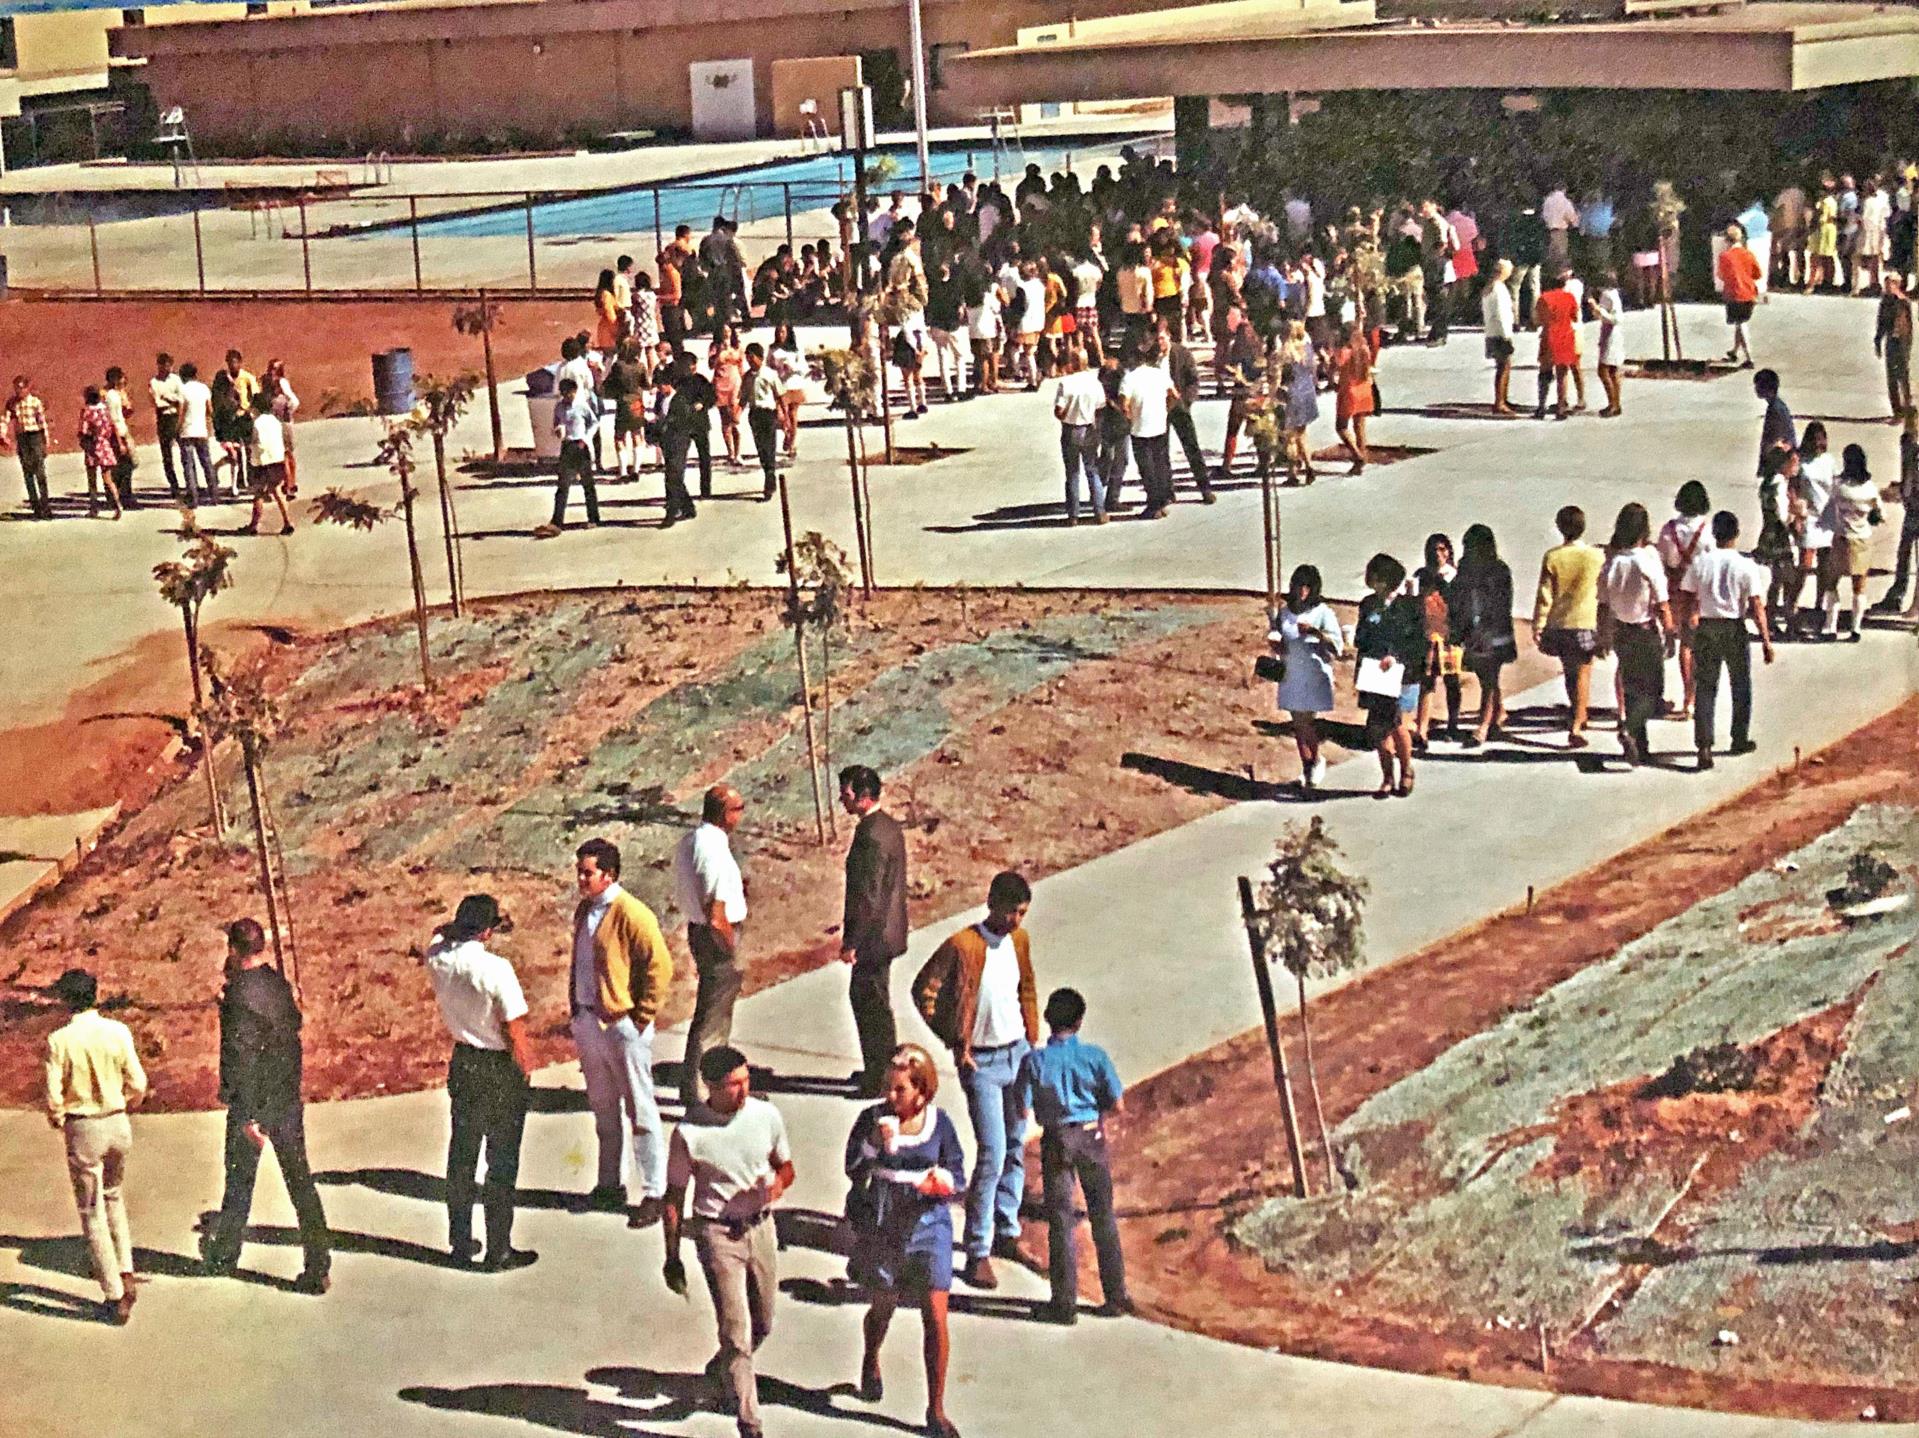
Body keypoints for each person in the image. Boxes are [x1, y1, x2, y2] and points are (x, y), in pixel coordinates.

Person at [911, 870, 1039, 1291]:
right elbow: (924, 992)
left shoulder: (1019, 942)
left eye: (1022, 912)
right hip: (980, 1063)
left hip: (1017, 1055)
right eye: (1012, 911)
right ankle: (978, 1249)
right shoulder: (962, 945)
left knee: (1017, 1145)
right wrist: (954, 1039)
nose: (1017, 920)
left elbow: (1027, 989)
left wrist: (1032, 1039)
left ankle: (1007, 1231)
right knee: (993, 1152)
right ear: (993, 904)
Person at [662, 1046, 795, 1438]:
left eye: (746, 1081)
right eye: (733, 1085)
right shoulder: (690, 1133)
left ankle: (724, 1368)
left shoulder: (766, 1115)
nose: (743, 1091)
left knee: (763, 1323)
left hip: (761, 1227)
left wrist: (776, 1186)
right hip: (717, 1234)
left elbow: (786, 1168)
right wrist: (672, 1255)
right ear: (710, 1087)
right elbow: (674, 1198)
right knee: (736, 1330)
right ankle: (749, 1422)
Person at [845, 1044, 966, 1438]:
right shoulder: (872, 1120)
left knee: (935, 1314)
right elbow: (852, 1166)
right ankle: (871, 1356)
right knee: (883, 1305)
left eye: (901, 1090)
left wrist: (941, 1183)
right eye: (889, 1088)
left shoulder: (940, 1124)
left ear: (922, 1091)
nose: (892, 1097)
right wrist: (874, 1146)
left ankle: (936, 1408)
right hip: (884, 1222)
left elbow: (957, 1171)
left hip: (929, 1223)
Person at [203, 918, 330, 1292]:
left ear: (233, 949)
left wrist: (246, 1114)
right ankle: (318, 1262)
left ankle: (225, 1255)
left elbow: (240, 1058)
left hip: (255, 1104)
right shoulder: (278, 984)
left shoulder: (239, 998)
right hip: (287, 1098)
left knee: (239, 1183)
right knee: (301, 1183)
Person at [423, 894, 537, 1270]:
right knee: (501, 1159)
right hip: (497, 1064)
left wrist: (452, 929)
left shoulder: (439, 959)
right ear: (488, 930)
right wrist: (524, 1067)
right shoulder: (496, 969)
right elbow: (513, 1027)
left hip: (465, 1060)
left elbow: (437, 935)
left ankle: (459, 1241)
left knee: (463, 1154)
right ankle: (498, 1247)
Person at [569, 837, 675, 1223]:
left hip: (621, 1026)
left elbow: (659, 967)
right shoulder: (584, 911)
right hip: (588, 1023)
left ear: (609, 874)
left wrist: (640, 1017)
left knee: (640, 1111)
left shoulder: (632, 913)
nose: (581, 879)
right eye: (579, 872)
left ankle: (654, 1191)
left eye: (588, 872)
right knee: (602, 1110)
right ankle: (609, 1183)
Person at [1017, 988, 1134, 1326]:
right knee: (1102, 1215)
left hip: (1056, 1139)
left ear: (1048, 1020)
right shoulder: (1095, 1057)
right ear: (1080, 1021)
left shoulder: (1035, 1061)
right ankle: (1115, 1295)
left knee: (1060, 1220)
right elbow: (1118, 1104)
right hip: (1089, 1136)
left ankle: (1064, 1302)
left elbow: (1021, 1107)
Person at [43, 967, 146, 1323]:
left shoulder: (60, 1040)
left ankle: (114, 1293)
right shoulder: (118, 1031)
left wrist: (59, 1118)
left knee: (91, 1213)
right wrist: (123, 1101)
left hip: (84, 1126)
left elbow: (54, 1095)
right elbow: (139, 1081)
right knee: (114, 1196)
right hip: (117, 1123)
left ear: (66, 1000)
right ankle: (127, 1270)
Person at [675, 785, 749, 1108]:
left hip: (699, 932)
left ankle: (705, 1086)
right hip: (716, 936)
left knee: (711, 1011)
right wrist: (732, 947)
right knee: (713, 1020)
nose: (741, 815)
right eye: (739, 808)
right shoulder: (714, 849)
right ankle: (701, 1092)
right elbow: (716, 914)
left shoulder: (690, 841)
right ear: (725, 813)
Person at [1682, 511, 1774, 771]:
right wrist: (1766, 640)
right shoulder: (1745, 565)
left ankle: (1704, 746)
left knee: (1706, 687)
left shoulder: (1701, 563)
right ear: (1736, 534)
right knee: (1740, 685)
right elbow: (1756, 605)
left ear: (1715, 534)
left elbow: (1688, 595)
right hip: (1734, 627)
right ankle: (1739, 737)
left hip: (1707, 626)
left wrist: (1690, 621)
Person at [839, 765, 910, 1098]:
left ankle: (881, 1077)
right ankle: (879, 1068)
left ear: (863, 796)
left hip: (874, 937)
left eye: (847, 793)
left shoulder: (870, 835)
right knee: (874, 1000)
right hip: (887, 932)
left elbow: (867, 895)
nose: (842, 799)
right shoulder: (888, 827)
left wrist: (852, 941)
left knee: (870, 1004)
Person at [1598, 503, 1674, 767]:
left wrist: (1603, 635)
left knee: (1632, 690)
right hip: (1645, 630)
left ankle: (1640, 747)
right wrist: (1671, 632)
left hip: (1621, 631)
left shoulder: (1612, 563)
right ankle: (1630, 729)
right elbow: (1662, 601)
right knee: (1653, 692)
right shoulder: (1646, 561)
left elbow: (1603, 604)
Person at [1533, 505, 1605, 748]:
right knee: (1584, 672)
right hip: (1587, 621)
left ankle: (1578, 712)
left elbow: (1545, 595)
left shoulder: (1553, 557)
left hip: (1561, 623)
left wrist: (1539, 624)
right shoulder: (1596, 556)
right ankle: (1577, 722)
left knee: (1570, 673)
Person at [1353, 552, 1423, 797]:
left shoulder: (1409, 606)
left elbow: (1416, 642)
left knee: (1395, 723)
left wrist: (1395, 656)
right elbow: (1360, 638)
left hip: (1399, 673)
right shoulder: (1368, 604)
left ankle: (1406, 770)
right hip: (1373, 672)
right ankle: (1386, 777)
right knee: (1376, 726)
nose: (1371, 581)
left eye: (1376, 576)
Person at [1270, 563, 1344, 792]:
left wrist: (1315, 633)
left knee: (1305, 722)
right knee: (1297, 724)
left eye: (1307, 586)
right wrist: (1275, 642)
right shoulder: (1284, 613)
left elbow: (1337, 647)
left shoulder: (1322, 612)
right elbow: (1280, 644)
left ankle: (1315, 761)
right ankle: (1308, 766)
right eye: (1299, 585)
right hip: (1292, 673)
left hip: (1313, 673)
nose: (1302, 591)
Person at [1449, 523, 1518, 747]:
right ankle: (1497, 715)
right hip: (1472, 631)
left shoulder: (1499, 570)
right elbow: (1457, 600)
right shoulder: (1464, 569)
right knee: (1484, 676)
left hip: (1493, 631)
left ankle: (1483, 725)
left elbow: (1503, 603)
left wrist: (1487, 627)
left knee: (1489, 677)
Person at [1657, 480, 1715, 717]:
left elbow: (1664, 560)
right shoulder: (1707, 530)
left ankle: (1687, 698)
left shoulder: (1669, 529)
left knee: (1686, 645)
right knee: (1701, 643)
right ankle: (1698, 694)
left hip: (1677, 588)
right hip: (1701, 589)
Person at [1823, 444, 1884, 641]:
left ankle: (1830, 626)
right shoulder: (1869, 489)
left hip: (1841, 538)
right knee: (1859, 587)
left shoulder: (1839, 487)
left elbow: (1829, 509)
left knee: (1832, 583)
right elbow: (1881, 514)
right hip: (1862, 540)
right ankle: (1855, 629)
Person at [1412, 534, 1462, 748]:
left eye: (1442, 549)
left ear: (1449, 551)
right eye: (1433, 550)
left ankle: (1452, 724)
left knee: (1452, 680)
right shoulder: (1422, 575)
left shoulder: (1455, 576)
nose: (1438, 554)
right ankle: (1422, 729)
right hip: (1427, 634)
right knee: (1427, 681)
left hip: (1449, 635)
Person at [1119, 344, 1179, 521]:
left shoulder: (1129, 379)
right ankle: (1162, 499)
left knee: (1146, 467)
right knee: (1160, 464)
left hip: (1140, 428)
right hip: (1159, 424)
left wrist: (1130, 417)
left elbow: (1124, 404)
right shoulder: (1159, 374)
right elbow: (1174, 395)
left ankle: (1153, 504)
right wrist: (1166, 409)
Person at [1158, 321, 1215, 503]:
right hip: (1159, 408)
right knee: (1161, 451)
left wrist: (1186, 401)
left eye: (1162, 338)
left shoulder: (1182, 353)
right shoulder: (1152, 357)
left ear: (1169, 337)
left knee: (1191, 447)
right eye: (1157, 339)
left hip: (1179, 406)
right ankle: (1167, 492)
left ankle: (1204, 487)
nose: (1160, 343)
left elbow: (1193, 380)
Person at [1790, 421, 1838, 640]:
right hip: (1808, 516)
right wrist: (1796, 515)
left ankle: (1819, 606)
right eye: (1816, 440)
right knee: (1805, 564)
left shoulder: (1829, 461)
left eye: (1822, 440)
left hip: (1827, 518)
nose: (1819, 444)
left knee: (1825, 566)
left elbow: (1835, 487)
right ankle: (1792, 605)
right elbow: (1792, 487)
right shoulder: (1800, 460)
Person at [536, 377, 600, 537]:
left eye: (570, 393)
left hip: (580, 445)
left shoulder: (582, 406)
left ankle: (594, 517)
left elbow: (594, 422)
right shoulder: (559, 407)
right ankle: (557, 521)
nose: (567, 396)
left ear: (575, 391)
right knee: (562, 486)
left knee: (588, 484)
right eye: (564, 393)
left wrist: (586, 438)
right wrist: (557, 429)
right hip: (567, 446)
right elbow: (556, 424)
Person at [1052, 343, 1107, 524]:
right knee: (1092, 470)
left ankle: (1073, 515)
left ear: (1072, 363)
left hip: (1071, 429)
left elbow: (1059, 411)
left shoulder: (1066, 383)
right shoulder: (1094, 382)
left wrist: (1068, 414)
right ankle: (1099, 511)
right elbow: (1100, 406)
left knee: (1072, 472)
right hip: (1090, 428)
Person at [1874, 407, 1919, 616]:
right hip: (1912, 507)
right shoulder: (1908, 443)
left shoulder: (1914, 447)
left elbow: (1911, 479)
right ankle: (1897, 595)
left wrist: (1903, 492)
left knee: (1909, 554)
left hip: (1916, 507)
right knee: (1903, 553)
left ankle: (1911, 603)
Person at [661, 351, 715, 526]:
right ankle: (678, 505)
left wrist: (703, 404)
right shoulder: (678, 380)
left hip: (699, 422)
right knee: (675, 467)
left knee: (704, 456)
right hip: (681, 428)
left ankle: (705, 488)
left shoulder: (700, 380)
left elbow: (711, 397)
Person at [242, 390, 294, 536]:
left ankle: (253, 525)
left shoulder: (256, 423)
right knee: (277, 491)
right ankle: (287, 521)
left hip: (261, 462)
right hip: (277, 460)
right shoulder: (276, 422)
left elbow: (251, 440)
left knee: (258, 493)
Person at [2, 374, 53, 519]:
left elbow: (42, 422)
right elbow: (5, 418)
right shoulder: (12, 403)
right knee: (27, 472)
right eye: (16, 388)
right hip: (22, 438)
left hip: (35, 436)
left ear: (27, 388)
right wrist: (3, 434)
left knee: (40, 472)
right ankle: (35, 506)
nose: (18, 391)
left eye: (21, 388)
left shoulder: (35, 402)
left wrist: (46, 441)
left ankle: (45, 506)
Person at [1532, 272, 1580, 421]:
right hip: (1566, 336)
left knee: (1545, 372)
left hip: (1549, 336)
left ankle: (1541, 406)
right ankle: (1561, 407)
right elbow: (1575, 317)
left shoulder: (1544, 298)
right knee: (1562, 373)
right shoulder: (1569, 297)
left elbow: (1538, 320)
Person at [1716, 226, 1762, 368]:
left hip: (1734, 294)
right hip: (1749, 293)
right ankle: (1735, 351)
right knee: (1739, 322)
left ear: (1726, 240)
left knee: (1741, 323)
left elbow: (1721, 275)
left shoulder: (1725, 256)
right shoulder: (1748, 254)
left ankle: (1749, 358)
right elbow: (1758, 274)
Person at [76, 385, 124, 521]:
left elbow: (83, 430)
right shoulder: (104, 410)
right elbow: (112, 426)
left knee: (92, 479)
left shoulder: (86, 412)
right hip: (104, 444)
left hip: (92, 445)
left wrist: (82, 441)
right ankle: (117, 505)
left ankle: (94, 508)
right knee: (108, 478)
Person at [1333, 320, 1376, 473]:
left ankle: (1358, 456)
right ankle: (1361, 456)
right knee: (1359, 426)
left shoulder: (1344, 351)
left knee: (1341, 427)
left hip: (1349, 390)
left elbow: (1336, 364)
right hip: (1364, 388)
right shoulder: (1364, 348)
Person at [743, 343, 780, 502]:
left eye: (752, 357)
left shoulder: (770, 374)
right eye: (748, 358)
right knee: (761, 448)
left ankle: (769, 480)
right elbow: (743, 397)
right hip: (755, 414)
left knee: (769, 446)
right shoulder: (747, 377)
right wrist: (737, 412)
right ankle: (769, 474)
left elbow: (780, 395)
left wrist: (783, 414)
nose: (750, 361)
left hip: (768, 413)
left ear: (760, 357)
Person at [177, 361, 217, 505]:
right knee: (206, 462)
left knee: (189, 465)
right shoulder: (204, 388)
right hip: (201, 430)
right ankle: (214, 495)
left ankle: (193, 497)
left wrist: (177, 429)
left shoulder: (183, 389)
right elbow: (210, 410)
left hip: (187, 431)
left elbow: (181, 411)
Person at [1875, 274, 1914, 421]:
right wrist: (1878, 340)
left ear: (1897, 285)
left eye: (1890, 284)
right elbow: (1881, 322)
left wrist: (1906, 346)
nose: (1887, 287)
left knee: (1902, 376)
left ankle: (1908, 407)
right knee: (1891, 377)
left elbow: (1908, 327)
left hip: (1902, 342)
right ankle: (1897, 411)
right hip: (1890, 342)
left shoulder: (1903, 302)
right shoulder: (1885, 301)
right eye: (1886, 284)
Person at [1481, 259, 1517, 416]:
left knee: (1503, 366)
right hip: (1500, 333)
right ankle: (1500, 402)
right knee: (1504, 366)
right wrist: (1506, 335)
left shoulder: (1490, 287)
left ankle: (1503, 397)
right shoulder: (1498, 289)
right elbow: (1501, 313)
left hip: (1491, 331)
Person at [150, 352, 186, 502]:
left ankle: (190, 483)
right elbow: (157, 403)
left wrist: (168, 399)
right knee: (167, 456)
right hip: (164, 419)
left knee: (185, 452)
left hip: (176, 417)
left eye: (170, 365)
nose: (168, 368)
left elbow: (182, 399)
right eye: (165, 365)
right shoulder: (154, 382)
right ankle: (174, 486)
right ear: (159, 366)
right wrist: (173, 401)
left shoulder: (176, 379)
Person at [711, 323, 746, 470]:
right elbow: (711, 364)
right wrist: (720, 351)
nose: (727, 334)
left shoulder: (738, 347)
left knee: (735, 419)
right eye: (724, 331)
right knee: (724, 421)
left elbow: (741, 366)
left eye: (729, 331)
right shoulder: (715, 347)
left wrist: (745, 385)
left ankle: (738, 452)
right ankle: (730, 453)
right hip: (720, 383)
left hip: (734, 384)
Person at [1592, 273, 1625, 418]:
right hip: (1612, 333)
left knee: (1603, 370)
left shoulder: (1607, 295)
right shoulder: (1614, 294)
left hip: (1610, 334)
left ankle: (1613, 403)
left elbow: (1615, 318)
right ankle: (1616, 403)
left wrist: (1598, 309)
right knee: (1613, 370)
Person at [1754, 368, 1796, 477]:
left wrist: (1767, 465)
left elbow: (1778, 438)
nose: (1756, 389)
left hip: (1778, 465)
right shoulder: (1776, 406)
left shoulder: (1776, 409)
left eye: (1758, 386)